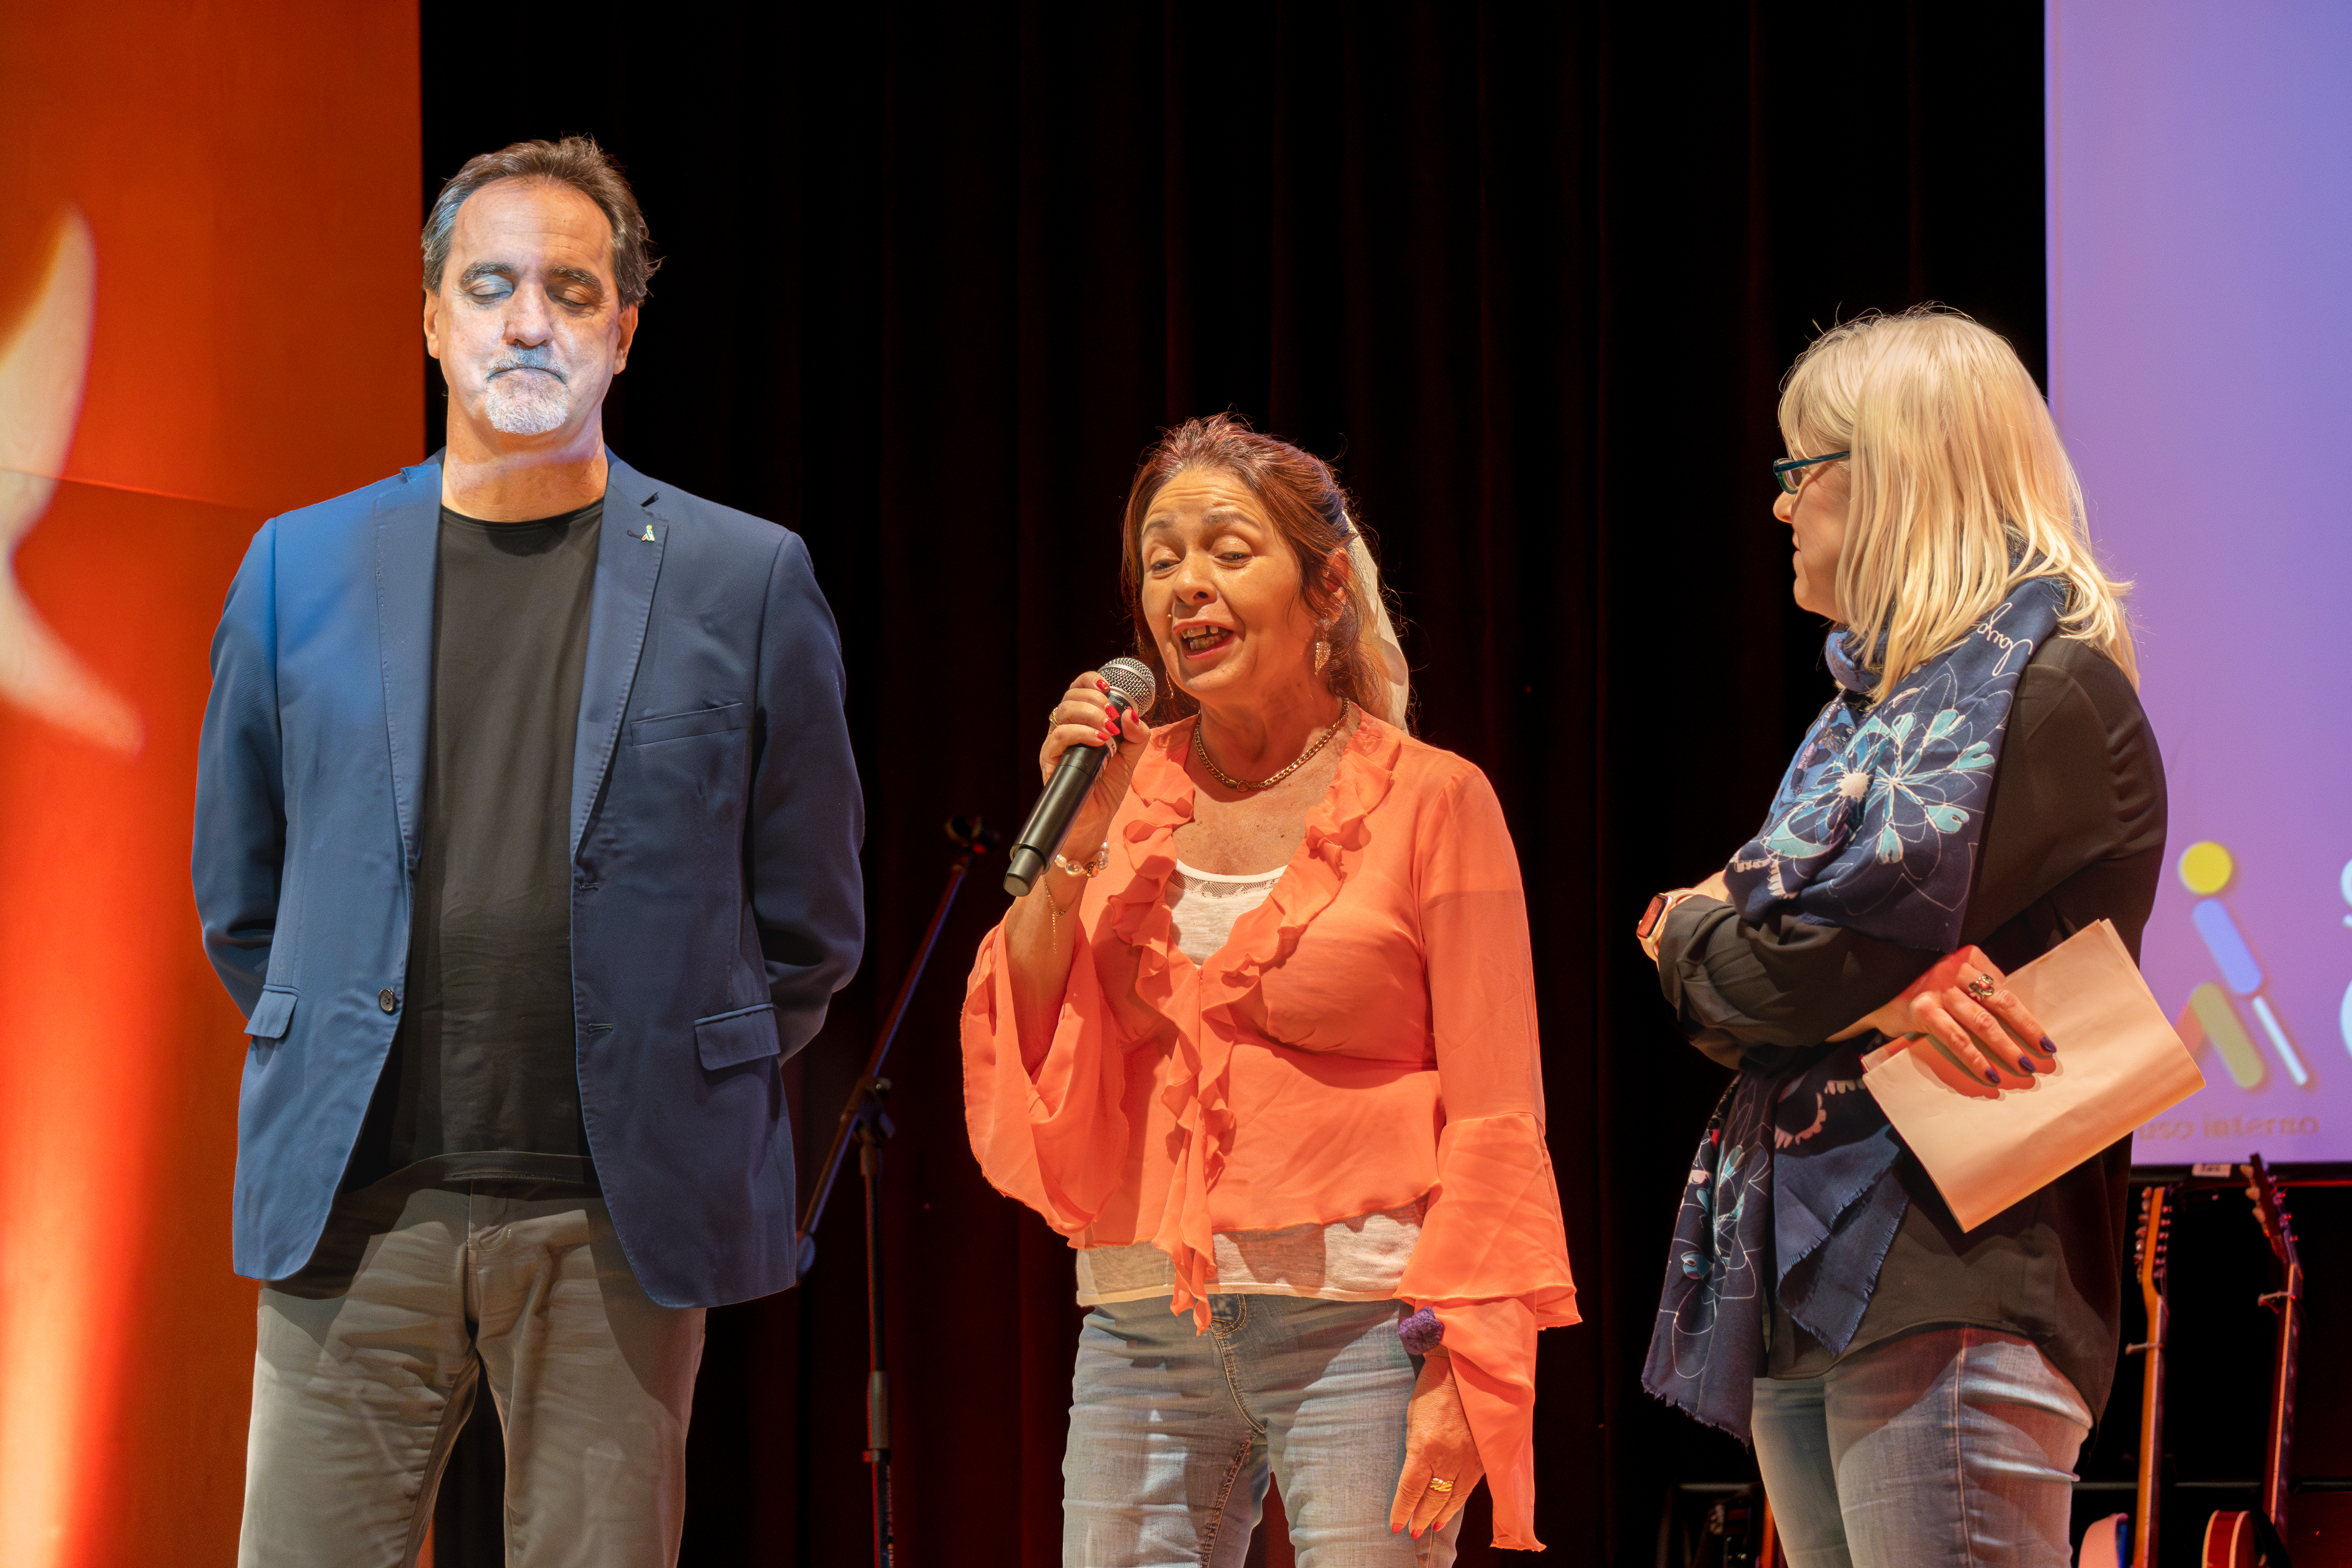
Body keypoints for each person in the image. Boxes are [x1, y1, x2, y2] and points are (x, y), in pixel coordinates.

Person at [192, 137, 865, 1567]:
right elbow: (239, 895)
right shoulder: (294, 567)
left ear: (624, 328)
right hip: (356, 1203)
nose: (529, 320)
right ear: (432, 316)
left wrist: (676, 1073)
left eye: (571, 288)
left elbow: (808, 924)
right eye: (489, 285)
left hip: (617, 1212)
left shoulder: (747, 579)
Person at [960, 414, 1578, 1565]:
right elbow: (1029, 1034)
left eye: (1227, 551)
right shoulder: (1122, 795)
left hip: (1362, 1329)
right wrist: (1077, 850)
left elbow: (1500, 1113)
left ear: (1326, 587)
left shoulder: (1433, 801)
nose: (1186, 586)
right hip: (1143, 1321)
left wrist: (1466, 1360)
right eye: (1160, 559)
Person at [1636, 308, 2166, 1568]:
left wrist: (1687, 920)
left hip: (1956, 1278)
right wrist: (1834, 985)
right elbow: (1751, 1001)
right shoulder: (1867, 724)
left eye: (1798, 471)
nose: (1780, 509)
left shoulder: (2042, 698)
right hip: (1814, 1280)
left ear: (1899, 476)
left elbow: (1782, 970)